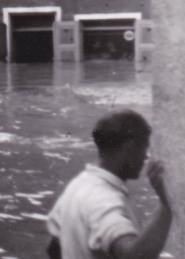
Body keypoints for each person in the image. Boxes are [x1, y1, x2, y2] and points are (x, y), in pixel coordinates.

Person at [46, 109, 172, 259]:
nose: (145, 157)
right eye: (144, 148)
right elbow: (131, 256)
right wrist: (166, 207)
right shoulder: (104, 200)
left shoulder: (78, 184)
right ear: (130, 147)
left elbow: (53, 247)